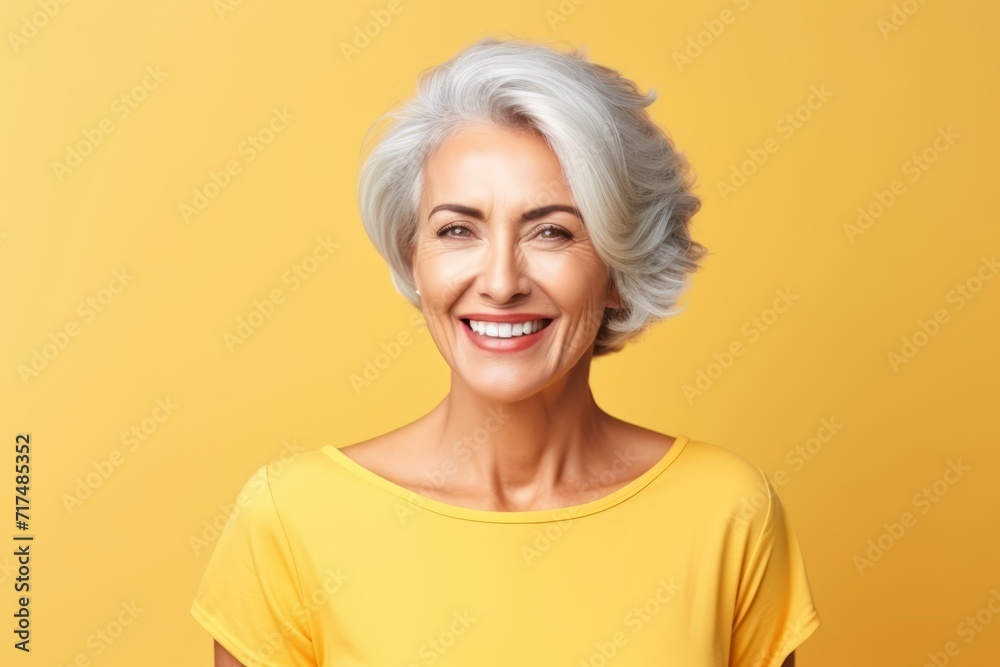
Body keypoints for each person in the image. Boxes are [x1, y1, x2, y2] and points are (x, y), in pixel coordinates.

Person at [190, 35, 821, 666]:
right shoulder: (293, 520)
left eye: (552, 230)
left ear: (618, 272)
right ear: (415, 257)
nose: (499, 282)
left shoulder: (728, 514)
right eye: (457, 229)